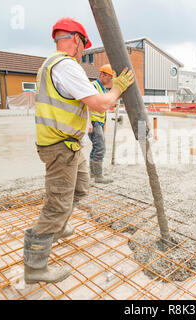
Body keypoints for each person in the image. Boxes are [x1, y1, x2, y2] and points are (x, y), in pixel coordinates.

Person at [23, 17, 135, 284]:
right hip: (60, 147)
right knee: (56, 206)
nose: (83, 51)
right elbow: (99, 104)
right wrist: (118, 89)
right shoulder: (65, 66)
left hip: (69, 145)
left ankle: (59, 226)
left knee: (81, 186)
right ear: (76, 38)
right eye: (84, 45)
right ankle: (35, 267)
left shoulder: (51, 64)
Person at [88, 64, 115, 184]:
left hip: (99, 122)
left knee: (96, 147)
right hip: (94, 121)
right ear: (102, 75)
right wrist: (88, 123)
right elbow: (87, 104)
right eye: (109, 77)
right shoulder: (93, 86)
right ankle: (98, 176)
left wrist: (104, 124)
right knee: (100, 148)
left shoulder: (102, 89)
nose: (110, 80)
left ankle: (93, 174)